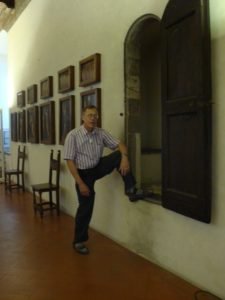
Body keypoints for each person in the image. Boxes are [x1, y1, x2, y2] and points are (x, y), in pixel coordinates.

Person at [64, 105, 144, 255]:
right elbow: (69, 161)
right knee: (85, 208)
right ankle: (78, 241)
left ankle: (130, 189)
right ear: (83, 117)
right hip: (82, 174)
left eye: (95, 115)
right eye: (89, 115)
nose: (93, 118)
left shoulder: (100, 133)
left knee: (119, 155)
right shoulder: (73, 135)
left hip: (97, 166)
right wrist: (80, 183)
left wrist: (125, 158)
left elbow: (120, 144)